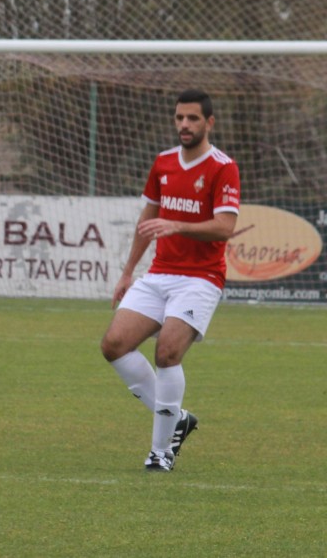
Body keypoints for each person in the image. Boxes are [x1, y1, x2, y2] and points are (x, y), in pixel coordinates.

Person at [100, 89, 240, 472]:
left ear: (209, 123)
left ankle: (160, 451)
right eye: (180, 118)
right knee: (114, 345)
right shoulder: (162, 163)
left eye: (193, 118)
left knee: (167, 352)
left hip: (201, 278)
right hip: (159, 273)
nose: (184, 125)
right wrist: (128, 273)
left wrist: (177, 224)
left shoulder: (223, 167)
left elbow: (225, 227)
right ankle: (176, 418)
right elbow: (148, 224)